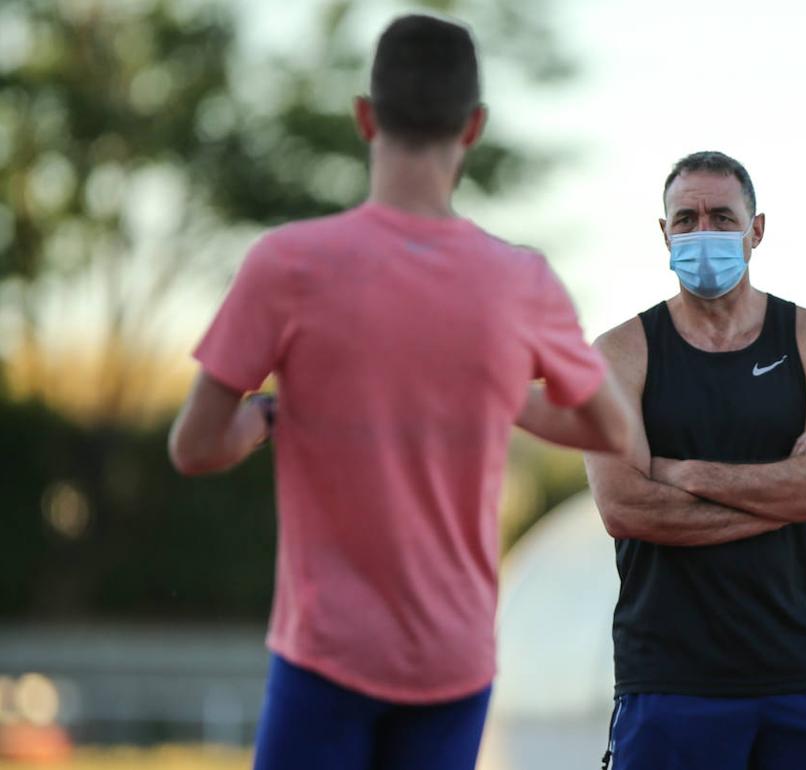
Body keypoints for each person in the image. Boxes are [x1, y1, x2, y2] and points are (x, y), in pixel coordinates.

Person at [167, 15, 631, 770]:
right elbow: (611, 426)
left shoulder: (288, 264)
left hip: (326, 654)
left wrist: (264, 417)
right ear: (473, 127)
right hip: (455, 661)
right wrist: (498, 389)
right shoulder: (521, 280)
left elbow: (193, 447)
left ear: (365, 115)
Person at [585, 151, 806, 770]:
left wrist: (685, 473)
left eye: (722, 216)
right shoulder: (618, 355)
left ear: (757, 230)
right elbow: (625, 507)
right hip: (670, 679)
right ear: (663, 233)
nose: (703, 233)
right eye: (686, 220)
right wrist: (787, 493)